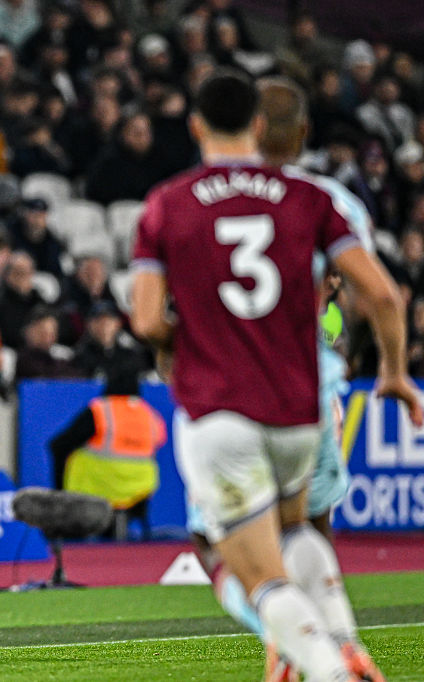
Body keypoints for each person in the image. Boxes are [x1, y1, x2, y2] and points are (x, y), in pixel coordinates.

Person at [130, 69, 420, 682]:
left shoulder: (168, 202)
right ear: (257, 125)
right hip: (302, 402)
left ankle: (321, 664)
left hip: (221, 406)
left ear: (195, 125)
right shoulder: (313, 198)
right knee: (297, 530)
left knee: (236, 564)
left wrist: (188, 338)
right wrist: (394, 372)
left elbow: (148, 319)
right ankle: (340, 638)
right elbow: (386, 295)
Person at [184, 75, 385, 682]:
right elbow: (362, 292)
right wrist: (343, 352)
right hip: (312, 382)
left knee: (219, 542)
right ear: (301, 132)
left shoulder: (195, 197)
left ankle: (303, 646)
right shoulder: (333, 201)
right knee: (307, 526)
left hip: (229, 389)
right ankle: (327, 641)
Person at [48, 360, 165, 511]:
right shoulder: (150, 415)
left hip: (100, 487)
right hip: (141, 489)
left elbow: (59, 444)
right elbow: (159, 441)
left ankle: (62, 509)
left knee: (67, 452)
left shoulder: (101, 410)